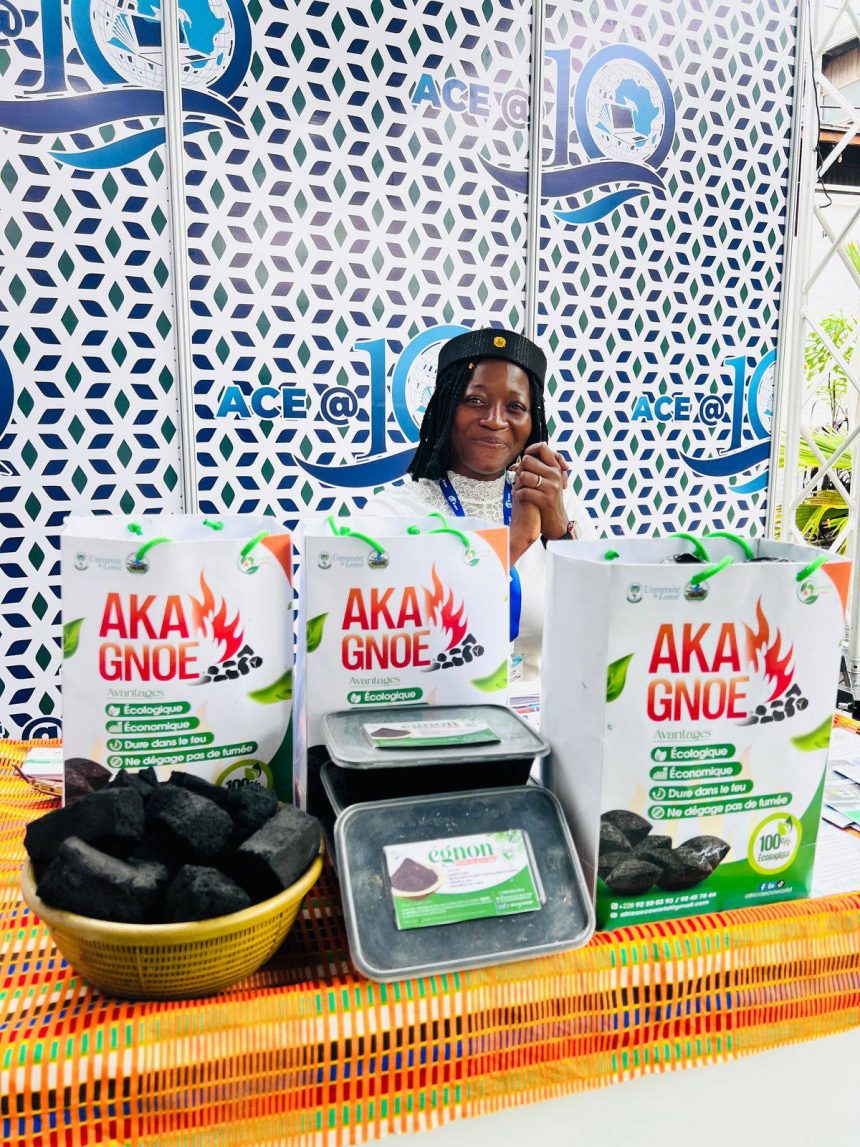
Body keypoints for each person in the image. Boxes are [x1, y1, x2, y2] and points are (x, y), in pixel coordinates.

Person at [365, 327, 593, 682]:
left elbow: (599, 631)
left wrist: (560, 536)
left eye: (515, 407)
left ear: (532, 422)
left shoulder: (561, 508)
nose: (495, 420)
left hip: (549, 713)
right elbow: (404, 643)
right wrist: (514, 542)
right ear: (446, 408)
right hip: (440, 709)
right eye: (475, 401)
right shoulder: (395, 516)